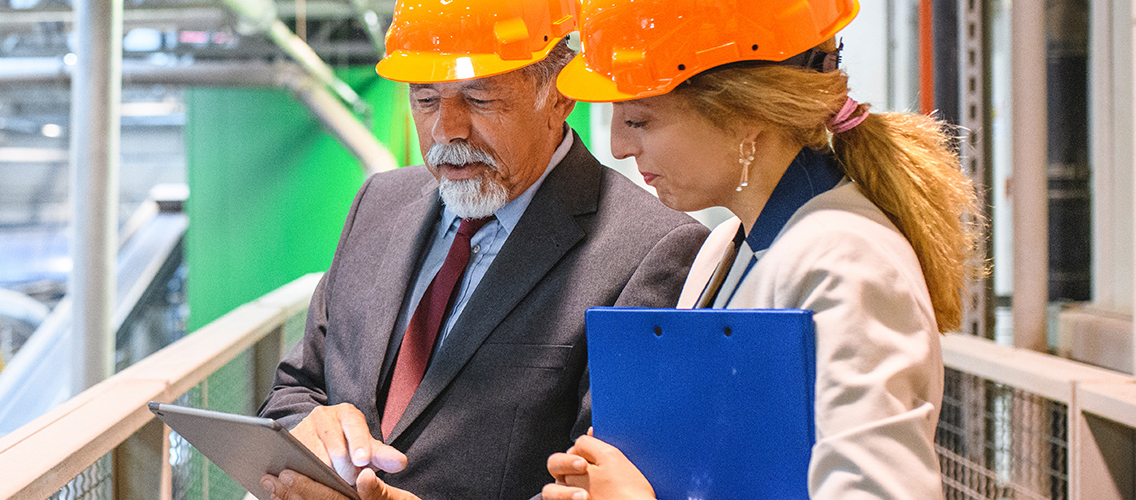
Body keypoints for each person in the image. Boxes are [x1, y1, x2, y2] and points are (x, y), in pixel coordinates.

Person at [256, 0, 710, 498]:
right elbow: (292, 392)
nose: (447, 130)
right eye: (426, 100)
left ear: (559, 98)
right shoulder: (377, 204)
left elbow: (598, 481)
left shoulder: (653, 251)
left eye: (478, 100)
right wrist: (311, 433)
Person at [539, 0, 979, 499]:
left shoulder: (848, 262)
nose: (618, 145)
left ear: (746, 116)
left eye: (639, 120)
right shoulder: (726, 247)